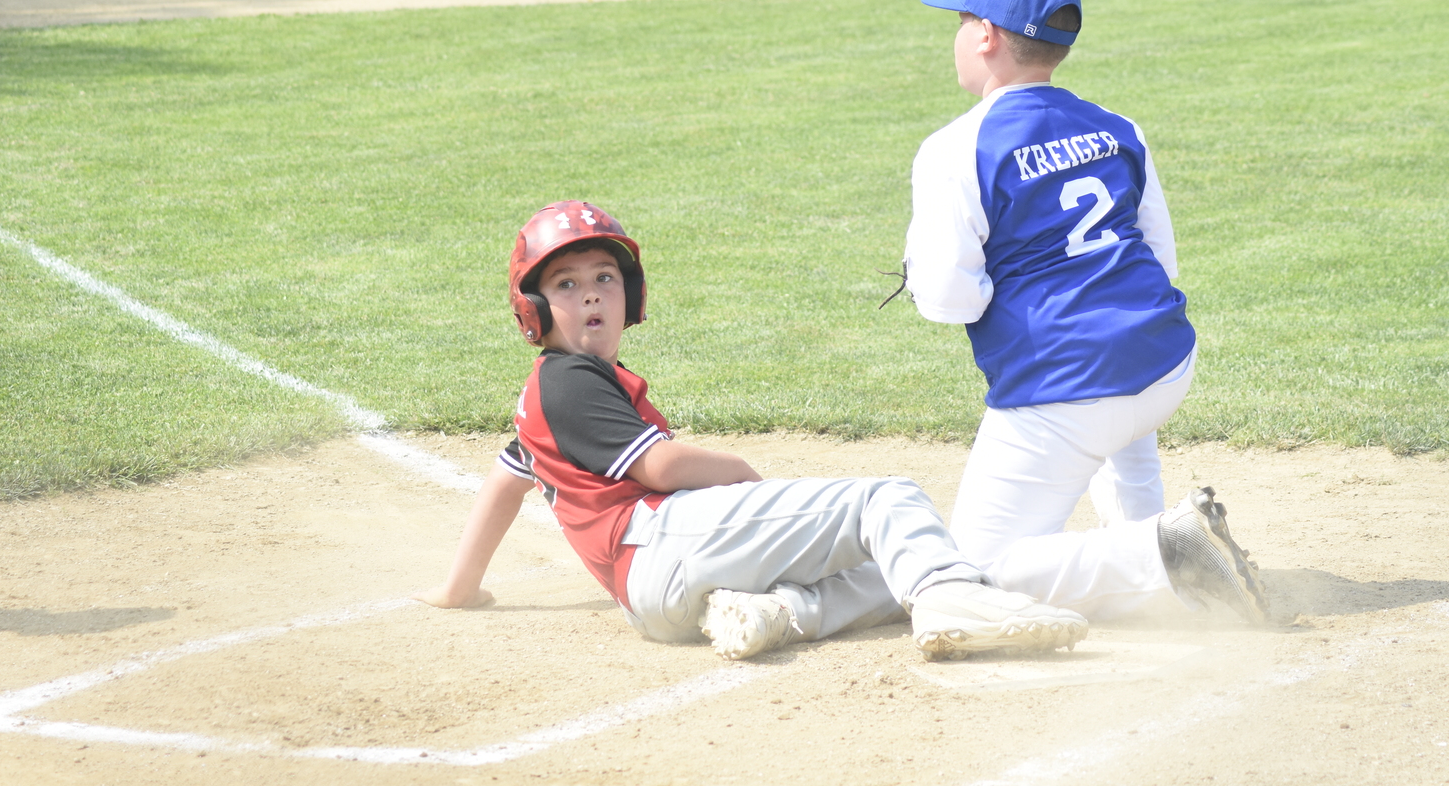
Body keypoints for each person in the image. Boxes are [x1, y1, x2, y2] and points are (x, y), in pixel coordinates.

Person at [415, 200, 1088, 662]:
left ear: (632, 292)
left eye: (604, 277)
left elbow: (506, 481)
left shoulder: (558, 396)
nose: (591, 293)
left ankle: (780, 614)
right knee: (888, 501)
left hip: (662, 595)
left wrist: (459, 588)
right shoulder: (565, 379)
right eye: (565, 283)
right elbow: (661, 470)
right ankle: (955, 606)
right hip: (662, 545)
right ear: (534, 311)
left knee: (895, 562)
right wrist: (735, 471)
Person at [898, 0, 1269, 625]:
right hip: (1163, 362)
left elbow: (952, 301)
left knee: (969, 576)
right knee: (1120, 433)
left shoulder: (956, 146)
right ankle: (1164, 538)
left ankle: (1163, 556)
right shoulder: (1118, 127)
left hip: (1069, 386)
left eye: (960, 21)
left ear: (985, 36)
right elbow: (1159, 257)